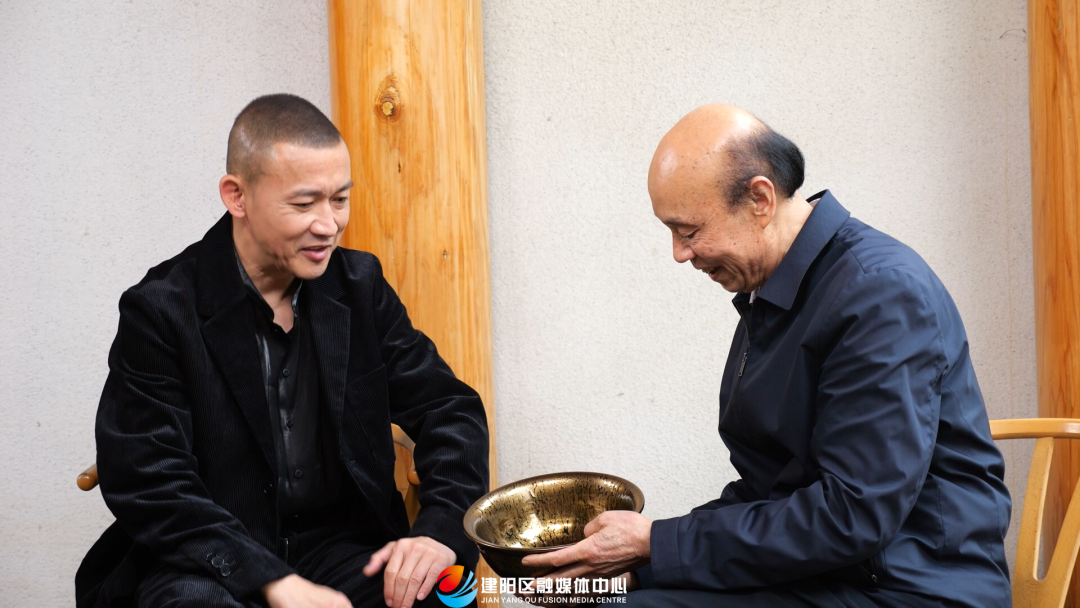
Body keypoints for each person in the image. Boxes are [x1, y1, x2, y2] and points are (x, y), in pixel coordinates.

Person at [521, 104, 1011, 607]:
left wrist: (656, 545)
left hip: (909, 588)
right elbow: (770, 489)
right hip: (827, 574)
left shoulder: (879, 293)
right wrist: (642, 567)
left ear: (760, 199)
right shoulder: (777, 292)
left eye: (689, 231)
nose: (679, 253)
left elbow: (853, 516)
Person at [75, 94, 489, 608]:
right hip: (210, 560)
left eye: (340, 199)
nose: (329, 224)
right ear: (237, 196)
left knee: (443, 594)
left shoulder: (359, 287)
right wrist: (274, 582)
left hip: (342, 547)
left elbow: (449, 409)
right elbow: (149, 478)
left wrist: (438, 531)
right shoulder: (161, 309)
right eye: (304, 203)